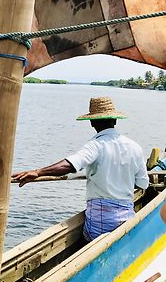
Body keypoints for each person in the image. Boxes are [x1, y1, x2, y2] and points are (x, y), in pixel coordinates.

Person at [11, 97, 149, 241]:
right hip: (127, 217)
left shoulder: (96, 145)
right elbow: (142, 184)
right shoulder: (135, 147)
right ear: (115, 121)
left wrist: (38, 172)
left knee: (90, 242)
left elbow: (70, 165)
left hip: (100, 220)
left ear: (92, 122)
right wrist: (121, 180)